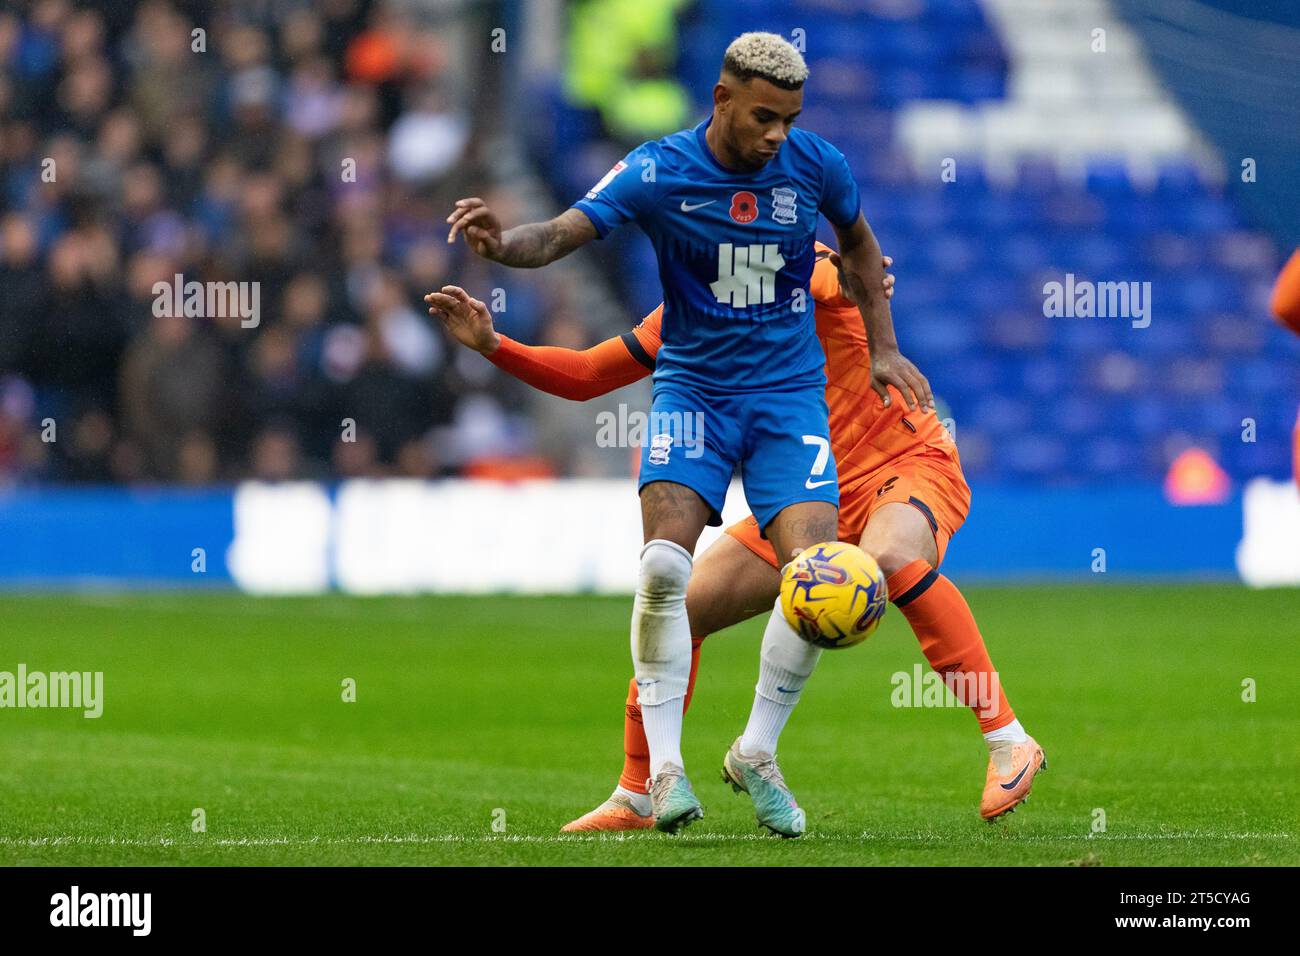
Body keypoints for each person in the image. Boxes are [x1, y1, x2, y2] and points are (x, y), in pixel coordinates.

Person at [444, 32, 930, 836]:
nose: (778, 134)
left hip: (786, 399)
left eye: (790, 118)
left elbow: (862, 246)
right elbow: (563, 233)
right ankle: (662, 774)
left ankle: (758, 751)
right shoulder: (657, 170)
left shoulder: (818, 166)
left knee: (810, 576)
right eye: (764, 117)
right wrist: (503, 249)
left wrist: (883, 348)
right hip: (693, 394)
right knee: (666, 569)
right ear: (723, 99)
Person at [427, 243, 1046, 833]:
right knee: (681, 609)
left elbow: (843, 277)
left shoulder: (802, 268)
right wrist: (493, 345)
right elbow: (590, 372)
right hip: (810, 487)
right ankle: (641, 790)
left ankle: (1009, 740)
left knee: (888, 557)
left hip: (903, 461)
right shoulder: (688, 307)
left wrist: (863, 278)